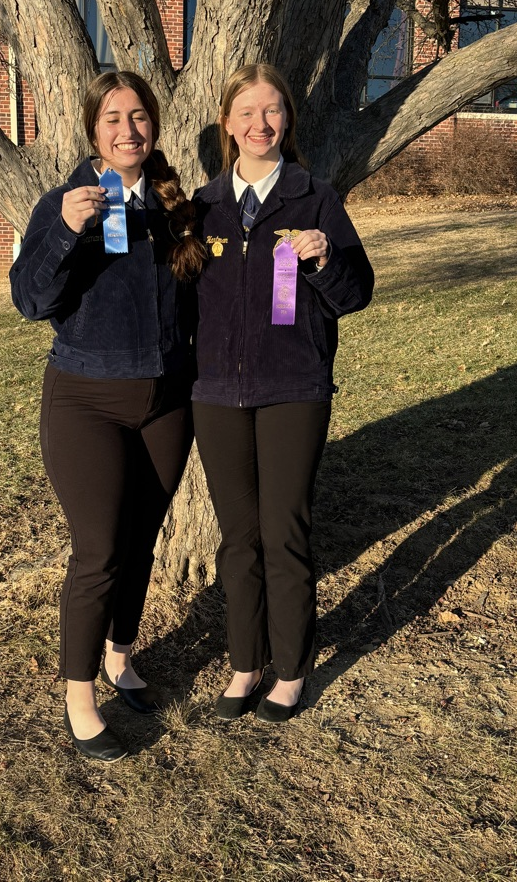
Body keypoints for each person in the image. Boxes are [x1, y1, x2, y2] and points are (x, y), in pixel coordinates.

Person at [10, 71, 205, 761]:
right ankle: (79, 693)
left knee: (142, 539)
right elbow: (31, 301)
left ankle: (122, 658)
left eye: (140, 117)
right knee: (99, 550)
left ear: (155, 125)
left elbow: (201, 301)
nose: (129, 129)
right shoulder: (64, 204)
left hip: (165, 402)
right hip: (86, 400)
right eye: (114, 118)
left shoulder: (176, 206)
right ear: (94, 129)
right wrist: (66, 230)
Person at [192, 63, 374, 723]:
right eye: (247, 112)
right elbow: (180, 300)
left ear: (287, 121)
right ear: (227, 124)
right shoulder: (203, 206)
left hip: (294, 389)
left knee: (283, 531)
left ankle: (291, 669)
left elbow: (355, 296)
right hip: (215, 396)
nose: (260, 124)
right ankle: (246, 665)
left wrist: (327, 259)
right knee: (238, 537)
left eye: (272, 111)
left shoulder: (314, 197)